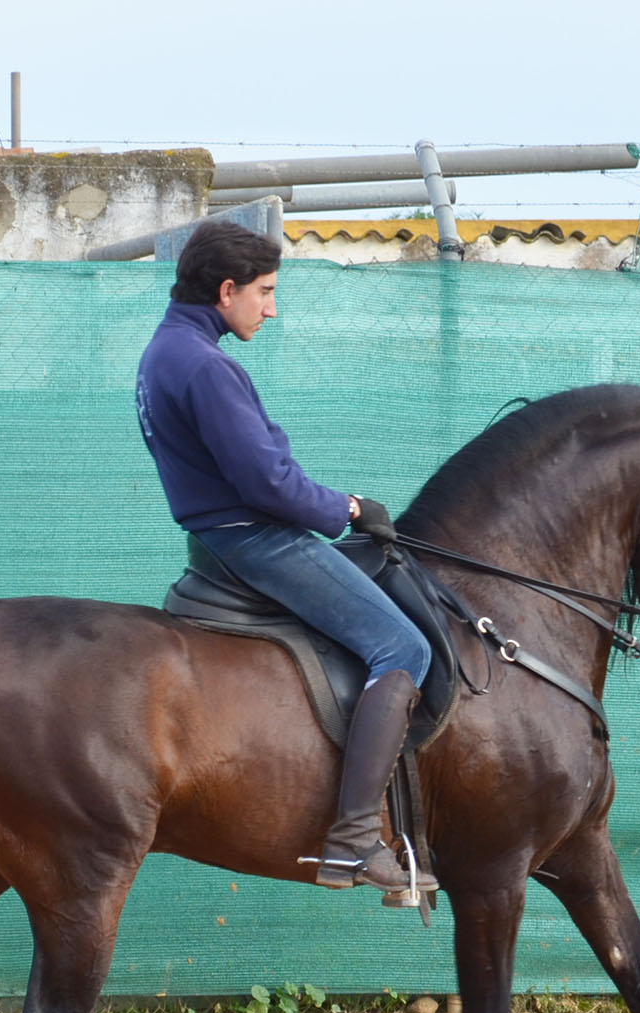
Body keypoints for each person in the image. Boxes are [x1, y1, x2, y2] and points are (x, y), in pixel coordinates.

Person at [136, 219, 437, 897]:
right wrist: (350, 509)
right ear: (226, 291)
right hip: (256, 540)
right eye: (265, 292)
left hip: (213, 540)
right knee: (403, 646)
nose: (271, 308)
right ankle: (356, 839)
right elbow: (269, 484)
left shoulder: (163, 352)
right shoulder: (210, 369)